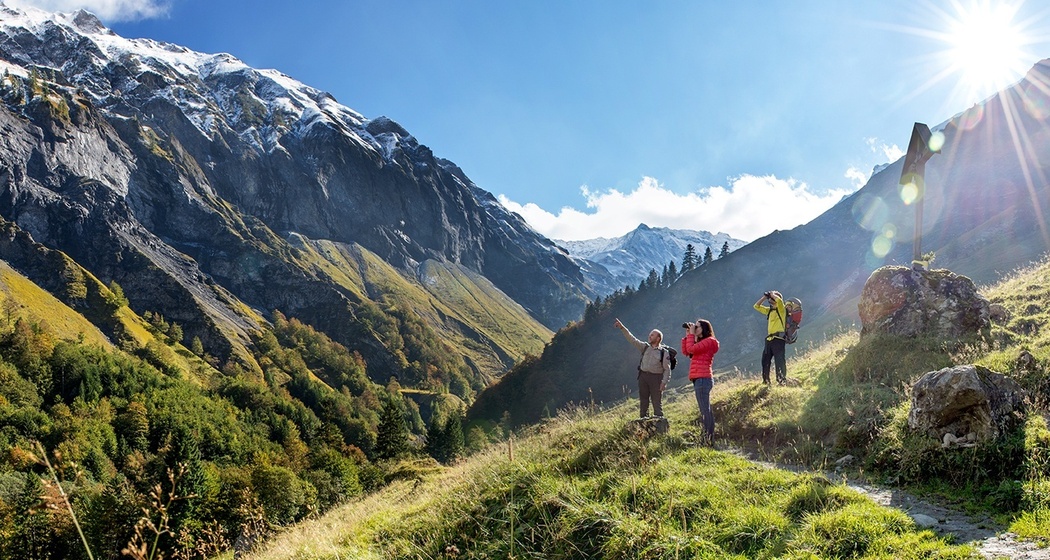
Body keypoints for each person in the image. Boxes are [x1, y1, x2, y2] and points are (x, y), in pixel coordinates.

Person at [614, 318, 671, 418]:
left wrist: (664, 382)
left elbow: (667, 369)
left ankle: (659, 421)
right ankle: (643, 420)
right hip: (643, 376)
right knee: (643, 400)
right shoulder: (645, 347)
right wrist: (622, 328)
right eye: (650, 334)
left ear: (658, 338)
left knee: (656, 400)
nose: (650, 336)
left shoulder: (664, 352)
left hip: (656, 378)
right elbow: (632, 339)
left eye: (652, 335)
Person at [681, 319, 719, 442]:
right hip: (699, 379)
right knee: (704, 409)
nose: (695, 328)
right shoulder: (701, 342)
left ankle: (708, 437)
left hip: (703, 378)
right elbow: (686, 352)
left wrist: (692, 335)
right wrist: (688, 335)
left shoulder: (710, 341)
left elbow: (691, 349)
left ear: (704, 328)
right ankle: (708, 436)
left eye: (697, 327)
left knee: (705, 410)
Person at [754, 290, 787, 385]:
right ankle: (766, 381)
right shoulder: (770, 311)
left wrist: (772, 294)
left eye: (772, 299)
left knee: (779, 361)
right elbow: (756, 306)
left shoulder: (782, 309)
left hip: (778, 339)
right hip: (769, 339)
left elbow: (780, 301)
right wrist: (765, 297)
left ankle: (781, 381)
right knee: (765, 360)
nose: (771, 300)